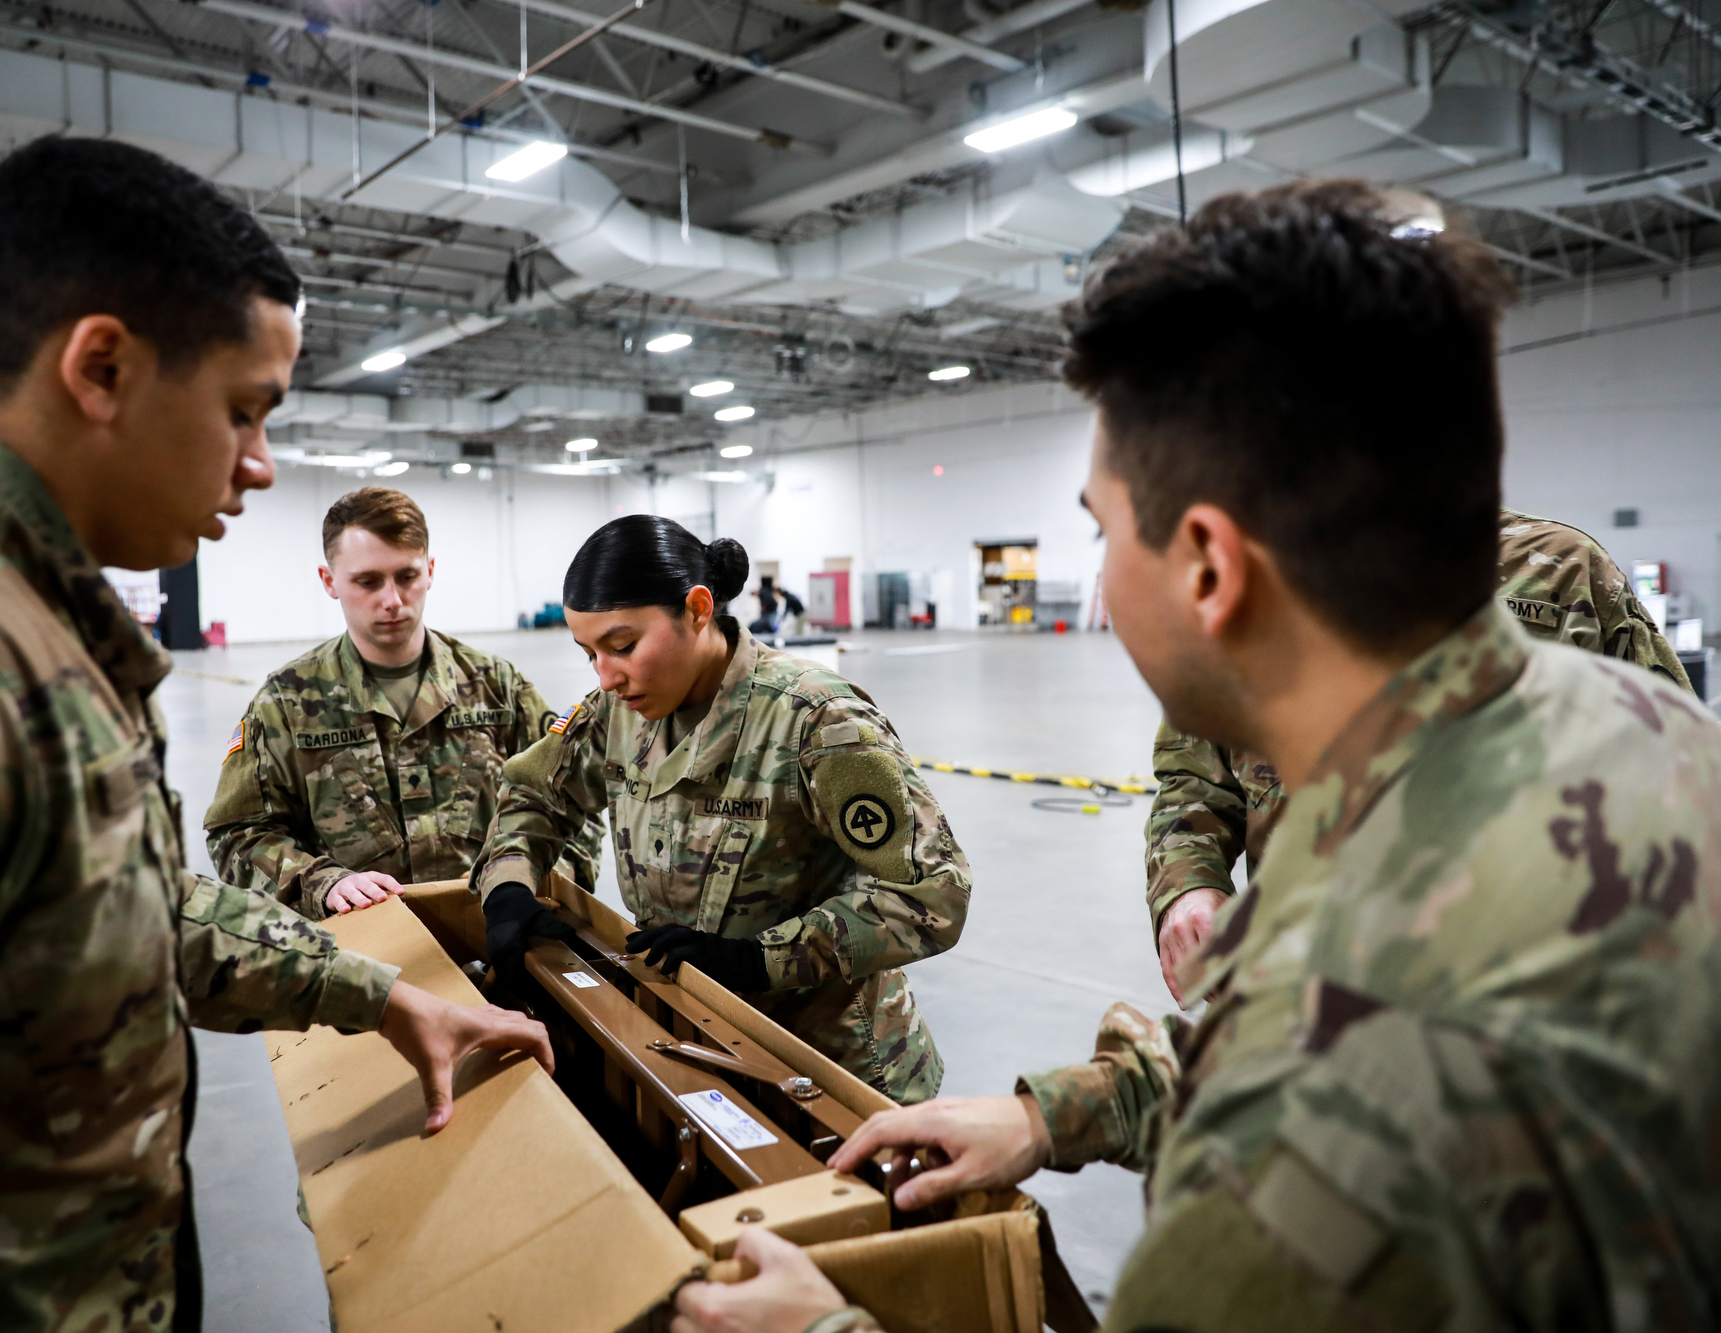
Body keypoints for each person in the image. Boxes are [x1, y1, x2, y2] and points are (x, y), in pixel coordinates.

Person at [673, 182, 1721, 1331]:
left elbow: (1337, 1071)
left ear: (1209, 569)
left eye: (1101, 526)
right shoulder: (1638, 724)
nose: (1104, 571)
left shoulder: (1307, 1112)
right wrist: (1057, 1115)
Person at [0, 136, 551, 1332]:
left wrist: (377, 995)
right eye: (242, 411)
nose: (260, 466)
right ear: (101, 366)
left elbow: (138, 905)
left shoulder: (25, 621)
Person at [471, 516, 970, 1104]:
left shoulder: (816, 720)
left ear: (699, 609)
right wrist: (507, 889)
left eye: (623, 646)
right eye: (590, 655)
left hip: (832, 1070)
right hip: (696, 1039)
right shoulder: (620, 711)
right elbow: (534, 794)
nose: (606, 676)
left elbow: (934, 894)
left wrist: (762, 960)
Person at [1149, 509, 1696, 1000]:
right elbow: (1194, 778)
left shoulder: (1561, 570)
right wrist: (1189, 886)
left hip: (1537, 1011)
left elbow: (1683, 765)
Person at [203, 487, 602, 919]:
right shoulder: (286, 703)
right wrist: (322, 883)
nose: (392, 600)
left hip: (495, 942)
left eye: (407, 577)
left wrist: (533, 888)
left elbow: (572, 801)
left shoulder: (498, 687)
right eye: (368, 581)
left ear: (430, 570)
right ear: (329, 581)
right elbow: (237, 834)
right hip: (363, 958)